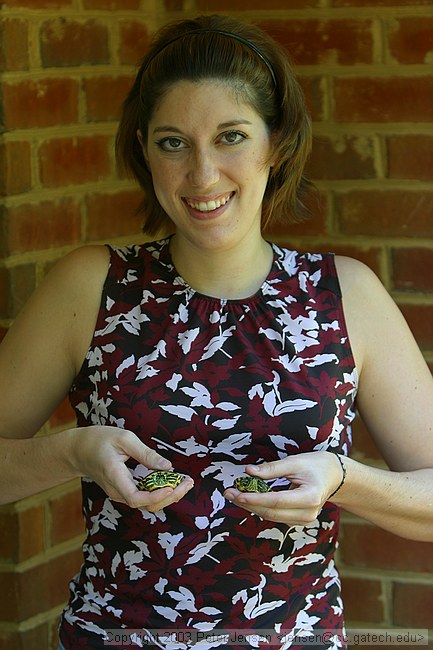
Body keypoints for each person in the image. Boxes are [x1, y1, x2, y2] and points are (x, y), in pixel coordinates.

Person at [0, 13, 432, 650]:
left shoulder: (346, 295)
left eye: (231, 137)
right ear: (144, 148)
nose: (202, 175)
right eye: (173, 142)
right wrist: (71, 454)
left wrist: (343, 479)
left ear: (276, 144)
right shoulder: (91, 286)